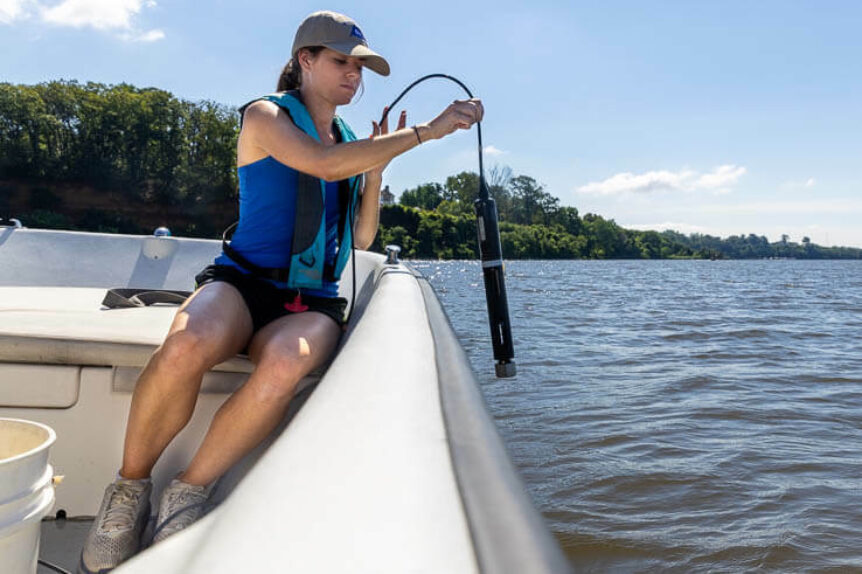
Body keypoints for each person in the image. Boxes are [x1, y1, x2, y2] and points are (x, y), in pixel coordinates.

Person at [78, 9, 484, 573]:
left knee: (284, 367)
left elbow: (362, 236)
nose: (353, 76)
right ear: (305, 61)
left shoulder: (349, 141)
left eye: (359, 67)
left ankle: (188, 494)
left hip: (310, 300)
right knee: (184, 346)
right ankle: (128, 492)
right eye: (341, 62)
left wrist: (374, 174)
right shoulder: (265, 115)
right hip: (243, 282)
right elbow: (318, 165)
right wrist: (425, 132)